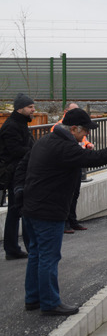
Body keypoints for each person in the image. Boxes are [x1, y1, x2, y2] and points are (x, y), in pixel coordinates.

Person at [21, 108, 107, 315]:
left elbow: (23, 165)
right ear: (74, 129)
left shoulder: (44, 141)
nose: (87, 135)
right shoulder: (65, 148)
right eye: (85, 130)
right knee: (49, 256)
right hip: (49, 211)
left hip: (31, 208)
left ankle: (33, 299)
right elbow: (98, 158)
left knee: (36, 255)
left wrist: (18, 191)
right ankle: (49, 303)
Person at [1, 93, 35, 260]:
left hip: (20, 173)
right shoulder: (12, 126)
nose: (33, 110)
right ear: (20, 108)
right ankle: (14, 248)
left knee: (17, 211)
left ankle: (14, 248)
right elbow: (15, 151)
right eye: (30, 107)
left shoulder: (20, 124)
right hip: (15, 174)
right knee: (17, 211)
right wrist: (35, 152)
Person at [52, 103, 93, 233]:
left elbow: (82, 140)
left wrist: (87, 145)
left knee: (75, 193)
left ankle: (72, 220)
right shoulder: (59, 127)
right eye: (73, 110)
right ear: (66, 111)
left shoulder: (79, 126)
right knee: (66, 194)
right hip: (67, 163)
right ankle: (64, 223)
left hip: (77, 161)